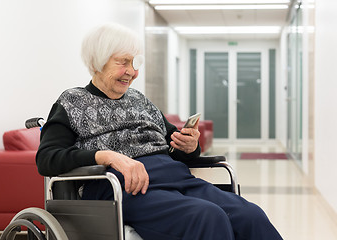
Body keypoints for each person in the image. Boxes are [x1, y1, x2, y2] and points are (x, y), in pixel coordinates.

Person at [36, 23, 282, 240]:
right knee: (208, 217)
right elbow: (46, 159)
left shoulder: (140, 100)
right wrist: (107, 156)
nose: (132, 72)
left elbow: (175, 146)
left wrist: (189, 146)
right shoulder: (72, 101)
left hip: (176, 179)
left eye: (135, 63)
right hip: (123, 188)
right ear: (97, 63)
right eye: (123, 62)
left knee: (250, 215)